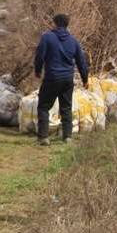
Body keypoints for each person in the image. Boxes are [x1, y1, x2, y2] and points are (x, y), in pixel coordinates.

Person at [34, 13, 89, 146]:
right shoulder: (73, 41)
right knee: (66, 107)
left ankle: (43, 137)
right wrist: (85, 79)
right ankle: (67, 137)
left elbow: (40, 56)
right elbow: (81, 62)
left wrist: (37, 70)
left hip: (52, 77)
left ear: (54, 23)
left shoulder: (47, 37)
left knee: (43, 106)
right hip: (67, 79)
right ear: (67, 25)